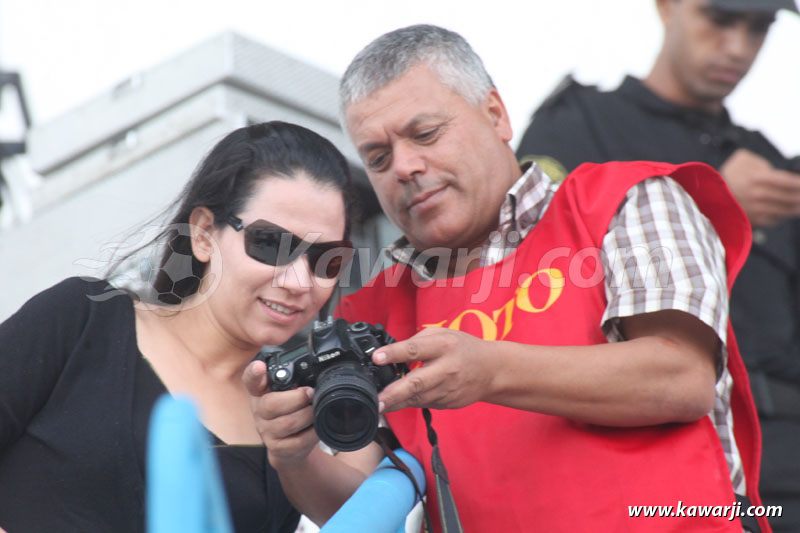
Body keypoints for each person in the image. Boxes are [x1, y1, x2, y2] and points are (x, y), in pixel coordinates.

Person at [245, 24, 771, 532]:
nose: (404, 167)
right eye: (377, 158)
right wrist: (294, 457)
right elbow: (364, 508)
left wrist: (490, 369)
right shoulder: (367, 312)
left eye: (425, 133)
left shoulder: (626, 199)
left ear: (496, 115)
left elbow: (682, 378)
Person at [515, 1, 800, 529]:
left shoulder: (772, 163)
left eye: (758, 29)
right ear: (667, 7)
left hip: (786, 466)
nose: (738, 48)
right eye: (719, 19)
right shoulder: (582, 125)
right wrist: (711, 203)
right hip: (657, 461)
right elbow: (532, 281)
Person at [0, 121, 357, 532]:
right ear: (204, 233)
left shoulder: (291, 426)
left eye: (327, 259)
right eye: (271, 244)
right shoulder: (82, 321)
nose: (299, 281)